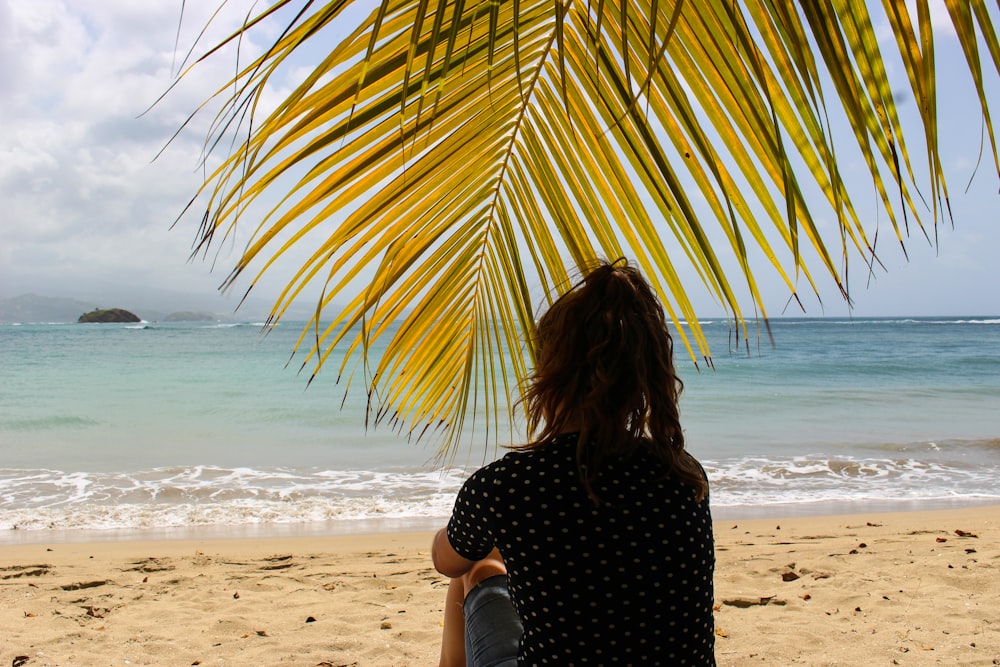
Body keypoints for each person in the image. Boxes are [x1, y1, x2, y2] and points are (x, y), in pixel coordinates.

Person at [432, 259, 716, 666]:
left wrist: (456, 536)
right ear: (642, 377)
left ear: (549, 374)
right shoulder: (684, 475)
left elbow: (447, 559)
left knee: (474, 572)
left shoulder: (506, 487)